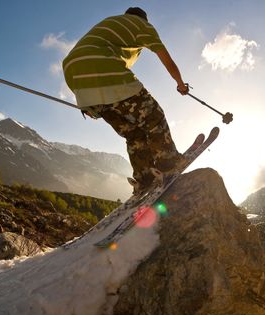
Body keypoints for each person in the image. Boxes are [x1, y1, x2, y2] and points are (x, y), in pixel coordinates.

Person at [63, 7, 189, 195]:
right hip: (104, 69)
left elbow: (81, 62)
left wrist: (88, 103)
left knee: (134, 133)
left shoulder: (112, 23)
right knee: (154, 117)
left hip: (74, 75)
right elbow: (167, 60)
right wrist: (180, 84)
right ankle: (168, 161)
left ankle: (144, 177)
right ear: (143, 19)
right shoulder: (142, 26)